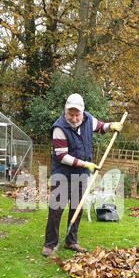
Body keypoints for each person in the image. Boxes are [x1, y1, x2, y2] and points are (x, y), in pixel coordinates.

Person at [42, 93, 123, 257]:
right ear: (65, 112)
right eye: (70, 114)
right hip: (63, 174)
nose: (73, 118)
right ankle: (50, 244)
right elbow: (62, 156)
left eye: (76, 114)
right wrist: (86, 164)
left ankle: (71, 241)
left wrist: (111, 126)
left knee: (77, 208)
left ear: (82, 112)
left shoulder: (87, 119)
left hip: (82, 175)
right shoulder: (59, 128)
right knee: (56, 209)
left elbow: (100, 126)